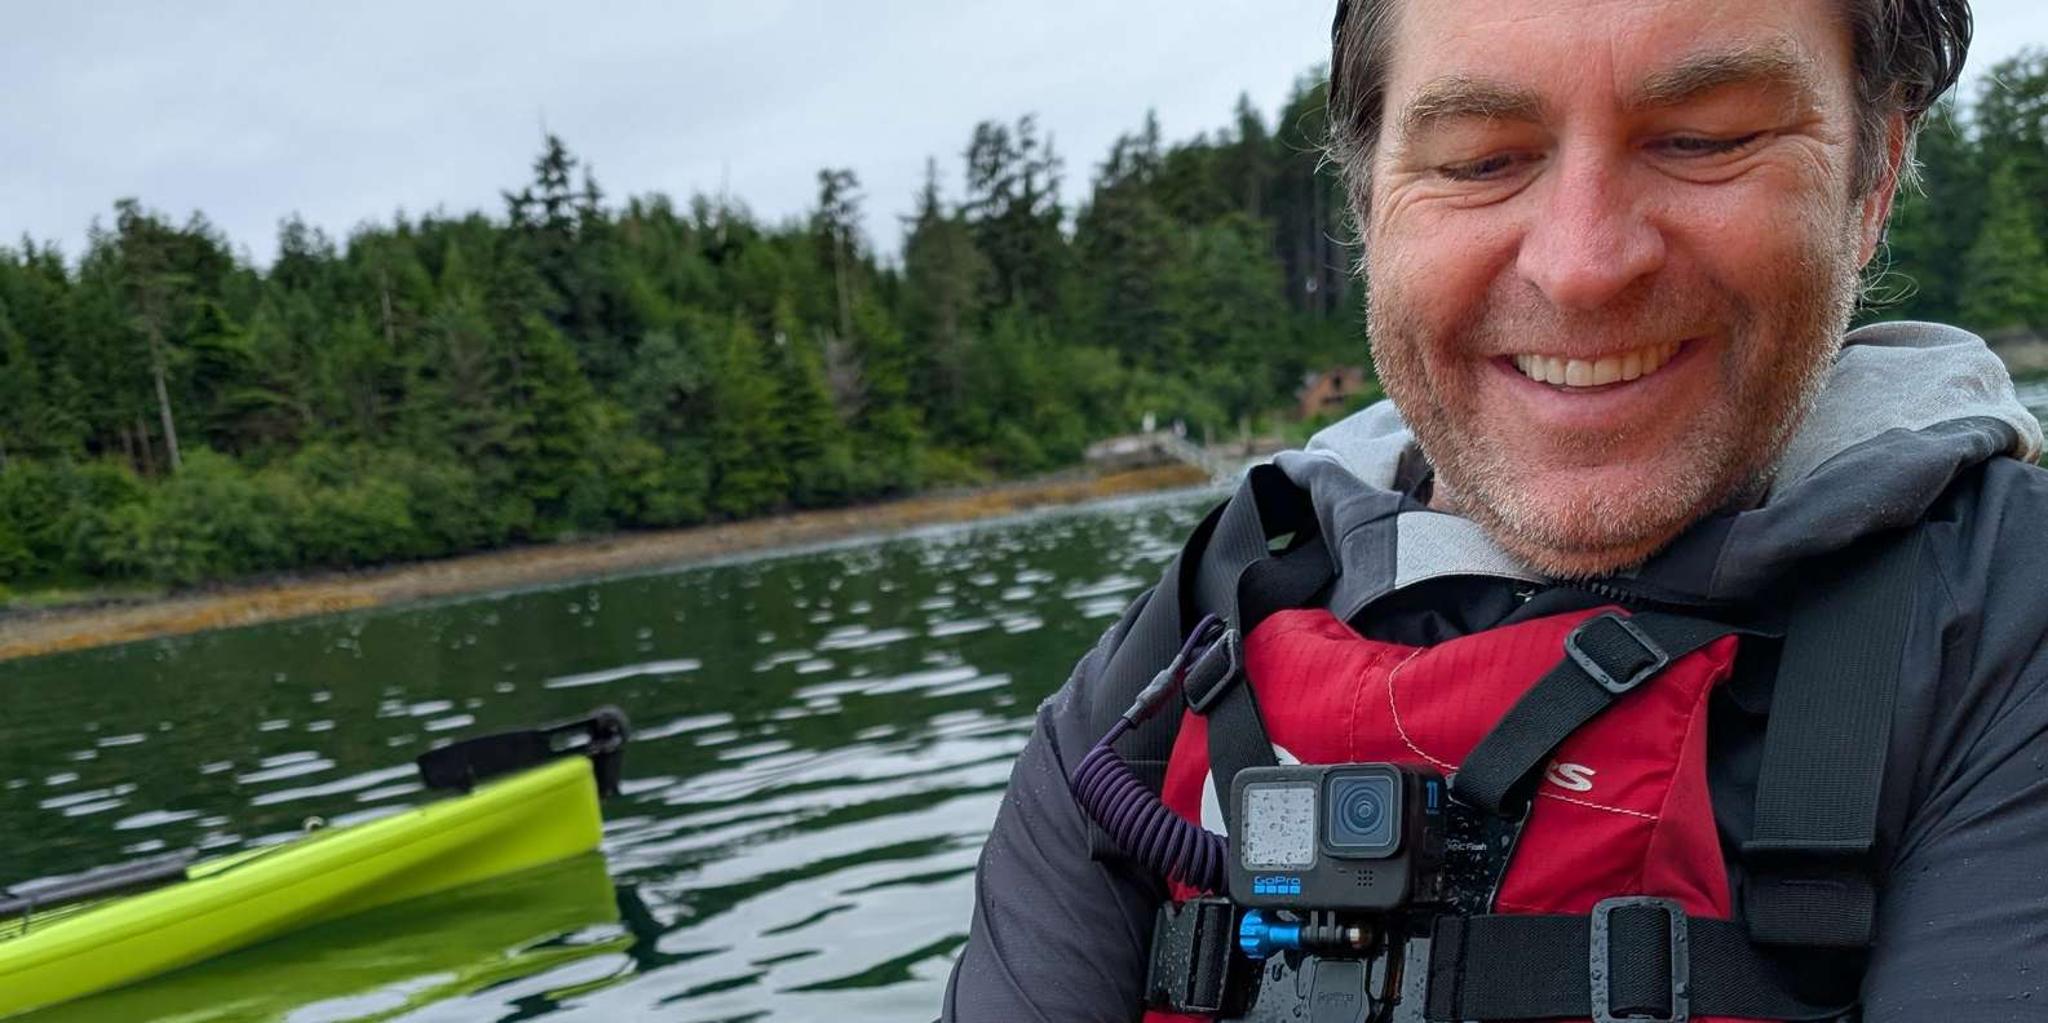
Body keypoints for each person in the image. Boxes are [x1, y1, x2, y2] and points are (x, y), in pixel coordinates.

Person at [943, 0, 2048, 1020]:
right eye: (1479, 160)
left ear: (1872, 176)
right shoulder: (1183, 645)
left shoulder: (2002, 630)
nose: (1581, 266)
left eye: (1704, 138)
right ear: (1368, 202)